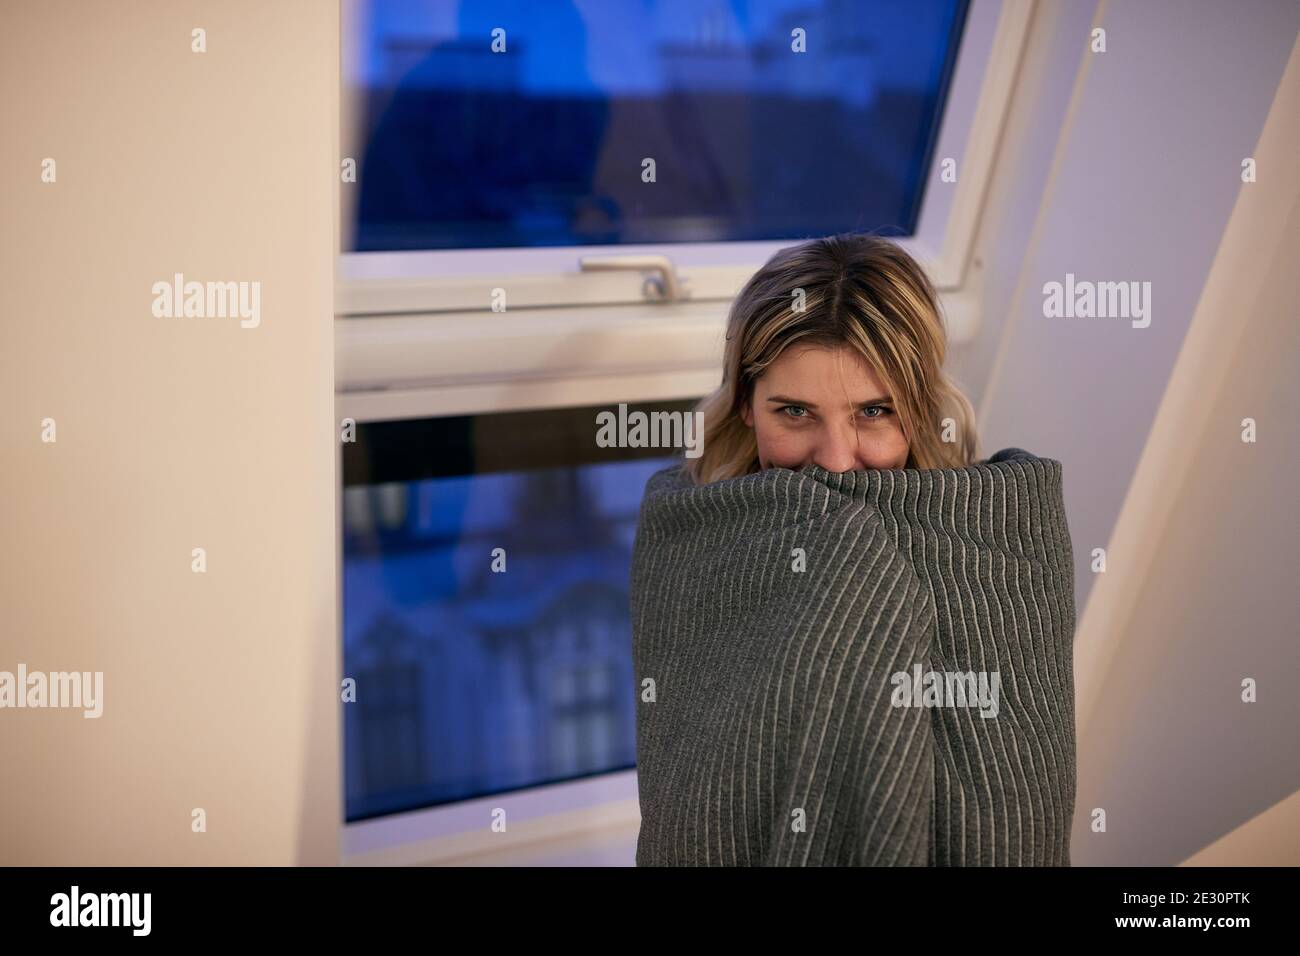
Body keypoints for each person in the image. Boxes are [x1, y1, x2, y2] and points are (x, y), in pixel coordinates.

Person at [684, 231, 980, 483]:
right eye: (795, 412)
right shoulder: (679, 523)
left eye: (873, 412)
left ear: (922, 409)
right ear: (745, 402)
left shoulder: (992, 525)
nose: (836, 464)